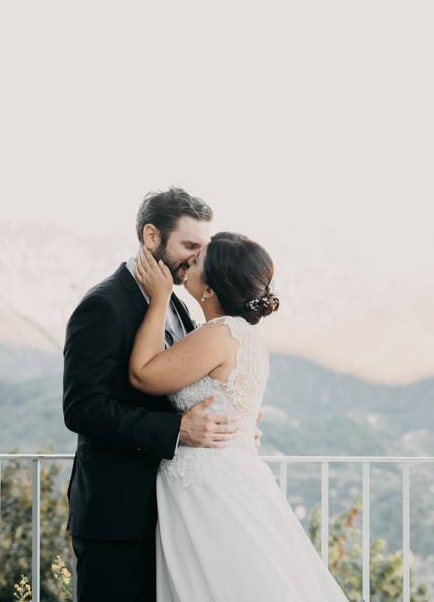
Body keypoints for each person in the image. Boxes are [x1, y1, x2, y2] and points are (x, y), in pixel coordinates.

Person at [62, 187, 260, 601]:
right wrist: (178, 430)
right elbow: (82, 408)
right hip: (116, 516)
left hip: (177, 514)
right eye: (189, 245)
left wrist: (232, 428)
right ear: (152, 237)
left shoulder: (179, 306)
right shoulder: (105, 305)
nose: (197, 258)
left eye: (202, 248)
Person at [129, 232, 349, 600]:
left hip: (207, 491)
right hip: (229, 476)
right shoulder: (246, 335)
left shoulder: (220, 333)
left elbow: (142, 374)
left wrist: (159, 299)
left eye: (198, 262)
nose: (189, 264)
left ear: (211, 290)